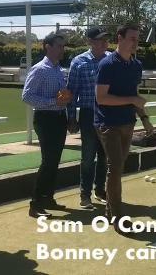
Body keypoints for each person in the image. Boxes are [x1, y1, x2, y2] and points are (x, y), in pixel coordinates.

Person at [94, 24, 153, 233]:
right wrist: (131, 99)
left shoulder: (136, 65)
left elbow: (134, 94)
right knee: (115, 168)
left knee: (118, 168)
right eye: (132, 38)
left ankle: (110, 211)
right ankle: (118, 217)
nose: (136, 43)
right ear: (120, 38)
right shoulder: (107, 64)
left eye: (138, 39)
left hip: (128, 123)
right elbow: (101, 98)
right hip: (107, 124)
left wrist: (145, 119)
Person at [22, 33, 72, 218]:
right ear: (47, 47)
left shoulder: (59, 69)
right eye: (59, 46)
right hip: (45, 119)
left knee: (54, 161)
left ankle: (48, 198)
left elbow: (61, 97)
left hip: (59, 118)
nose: (62, 49)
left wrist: (64, 104)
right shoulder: (39, 69)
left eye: (63, 46)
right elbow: (27, 96)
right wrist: (54, 102)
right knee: (48, 161)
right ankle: (35, 204)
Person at [66, 27, 110, 210]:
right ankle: (85, 195)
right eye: (100, 40)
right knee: (88, 156)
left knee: (104, 155)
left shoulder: (111, 59)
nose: (104, 43)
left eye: (105, 40)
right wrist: (71, 118)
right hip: (87, 114)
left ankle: (100, 191)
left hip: (108, 114)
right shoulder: (79, 61)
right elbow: (71, 91)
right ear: (90, 42)